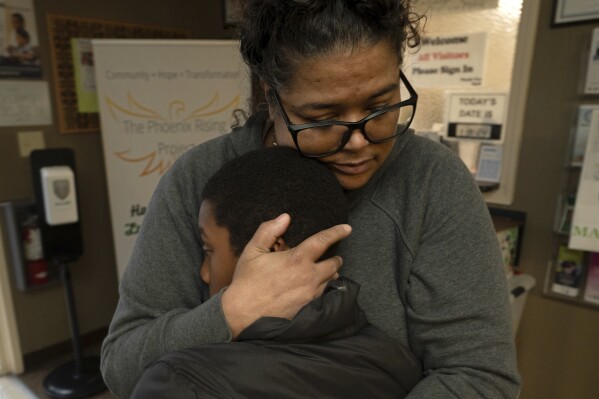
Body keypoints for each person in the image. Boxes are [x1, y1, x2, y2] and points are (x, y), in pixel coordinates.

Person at [101, 1, 521, 397]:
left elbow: (480, 375)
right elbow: (122, 365)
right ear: (271, 97)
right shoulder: (197, 179)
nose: (359, 142)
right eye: (322, 119)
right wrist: (232, 311)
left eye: (381, 105)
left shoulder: (431, 181)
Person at [129, 146, 422, 398]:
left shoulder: (181, 382)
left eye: (208, 251)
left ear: (272, 249)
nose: (204, 273)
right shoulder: (396, 361)